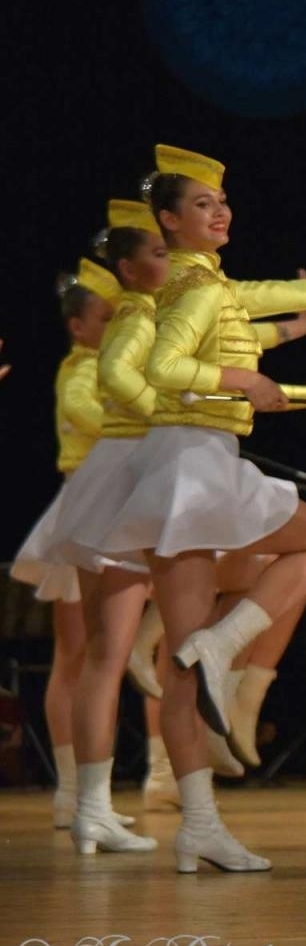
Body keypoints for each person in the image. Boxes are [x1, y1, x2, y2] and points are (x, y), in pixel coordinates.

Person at [98, 143, 306, 872]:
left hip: (191, 461)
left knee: (183, 667)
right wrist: (242, 380)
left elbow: (267, 297)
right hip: (195, 460)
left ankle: (198, 824)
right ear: (169, 222)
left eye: (221, 201)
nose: (219, 210)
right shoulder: (196, 293)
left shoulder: (210, 285)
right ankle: (228, 645)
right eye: (201, 204)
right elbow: (159, 369)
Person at [9, 260, 120, 832]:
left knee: (109, 651)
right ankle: (72, 789)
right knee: (75, 656)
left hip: (121, 514)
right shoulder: (77, 372)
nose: (118, 322)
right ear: (79, 326)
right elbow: (92, 418)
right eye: (107, 316)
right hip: (82, 514)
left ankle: (94, 791)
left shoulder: (126, 363)